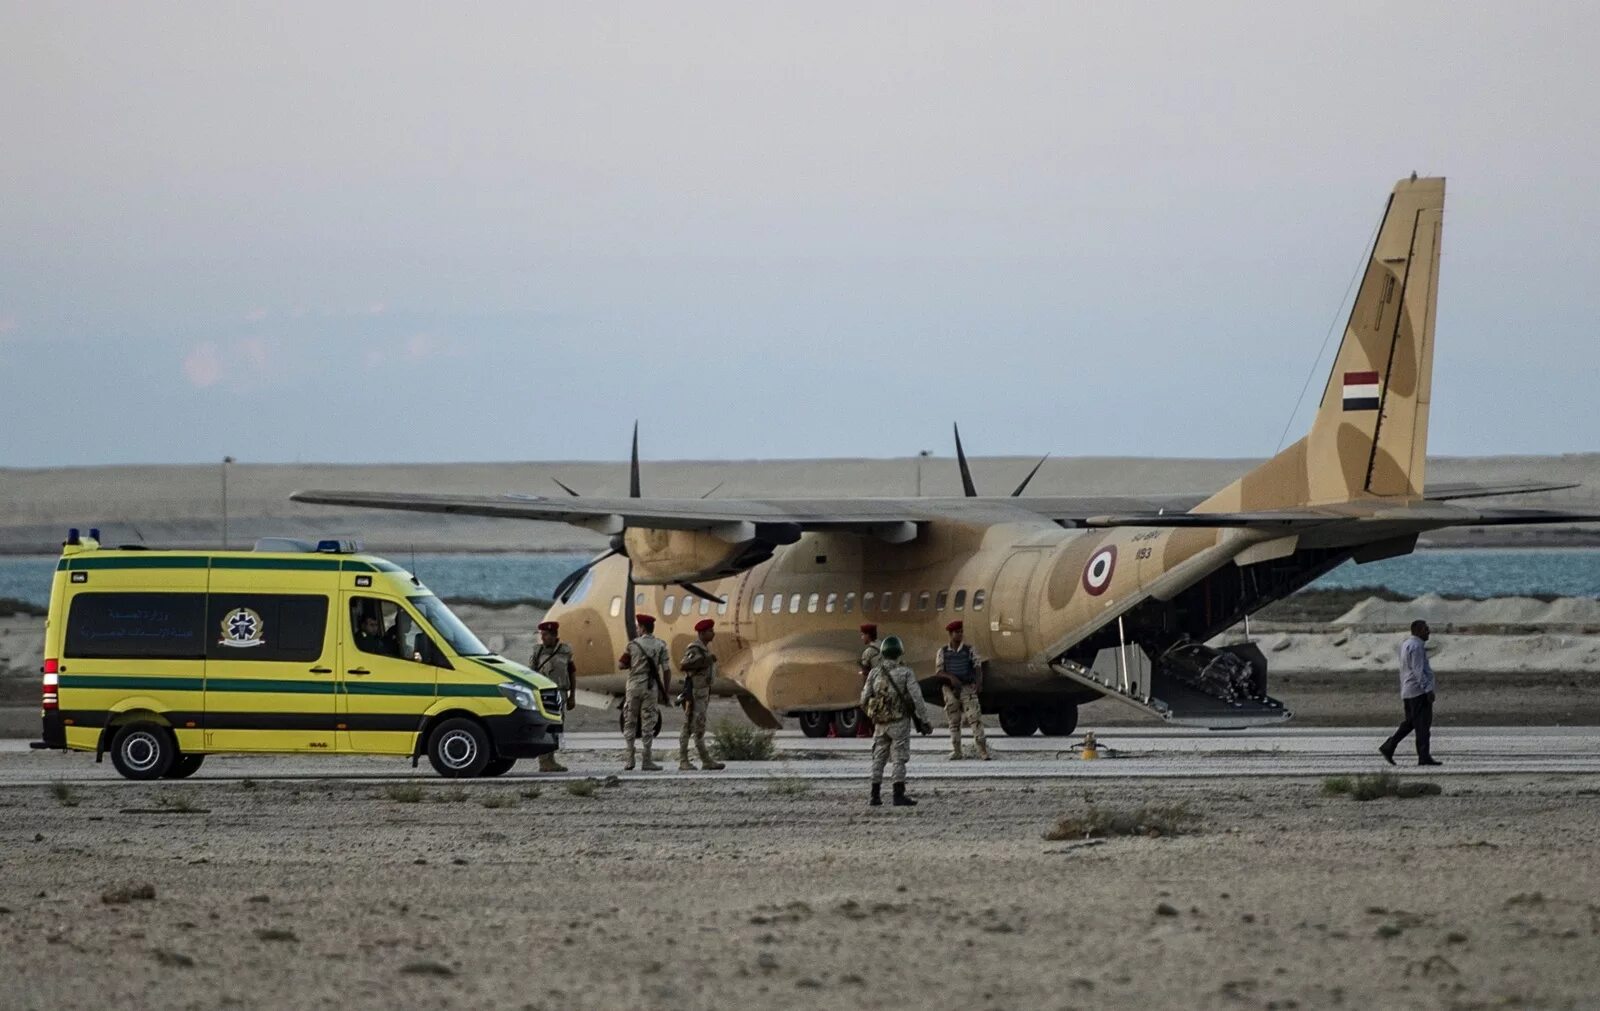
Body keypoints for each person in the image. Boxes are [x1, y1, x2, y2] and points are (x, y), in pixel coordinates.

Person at [860, 635, 930, 806]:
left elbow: (863, 699)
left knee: (878, 758)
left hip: (880, 724)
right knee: (898, 758)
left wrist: (874, 714)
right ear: (899, 652)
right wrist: (924, 720)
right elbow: (917, 698)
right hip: (899, 722)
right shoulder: (905, 672)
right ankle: (898, 795)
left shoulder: (875, 672)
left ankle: (874, 795)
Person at [1380, 619, 1442, 766]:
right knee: (1422, 725)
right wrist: (1428, 689)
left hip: (1408, 690)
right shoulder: (1416, 647)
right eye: (1426, 629)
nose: (1428, 632)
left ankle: (1389, 746)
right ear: (1418, 630)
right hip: (1417, 691)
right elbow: (1418, 671)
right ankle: (1423, 756)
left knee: (1411, 723)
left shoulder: (1406, 644)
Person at [618, 614, 671, 771]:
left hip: (633, 687)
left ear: (642, 628)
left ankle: (630, 759)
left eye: (638, 627)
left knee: (630, 721)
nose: (637, 630)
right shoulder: (660, 645)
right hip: (650, 687)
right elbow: (667, 670)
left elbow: (621, 664)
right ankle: (646, 760)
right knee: (648, 724)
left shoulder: (633, 645)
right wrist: (665, 691)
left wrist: (635, 664)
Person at [676, 619, 726, 771]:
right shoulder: (695, 648)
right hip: (694, 693)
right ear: (703, 633)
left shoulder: (704, 648)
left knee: (699, 726)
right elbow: (684, 665)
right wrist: (706, 660)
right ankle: (684, 761)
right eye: (710, 631)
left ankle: (706, 761)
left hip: (702, 693)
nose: (713, 633)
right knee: (689, 726)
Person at [936, 620, 990, 760]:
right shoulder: (943, 652)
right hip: (950, 690)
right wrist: (951, 678)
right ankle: (957, 750)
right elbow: (939, 672)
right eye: (957, 632)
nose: (960, 635)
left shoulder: (969, 650)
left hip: (967, 687)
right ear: (950, 634)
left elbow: (978, 667)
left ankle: (982, 751)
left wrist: (978, 683)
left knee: (975, 718)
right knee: (954, 721)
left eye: (961, 632)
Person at [529, 620, 575, 773]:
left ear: (555, 635)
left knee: (556, 727)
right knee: (546, 726)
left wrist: (572, 695)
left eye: (546, 635)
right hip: (544, 694)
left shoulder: (565, 651)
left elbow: (571, 672)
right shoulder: (538, 652)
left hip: (560, 693)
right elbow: (530, 674)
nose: (543, 638)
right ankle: (544, 760)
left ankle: (551, 759)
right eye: (542, 635)